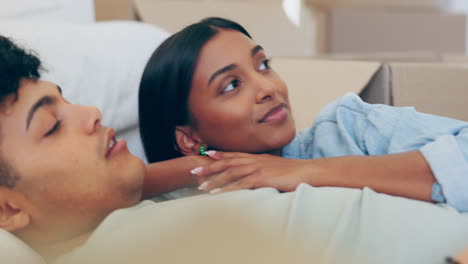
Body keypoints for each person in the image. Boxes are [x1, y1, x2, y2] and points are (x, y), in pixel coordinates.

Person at [1, 33, 468, 264]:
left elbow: (184, 168)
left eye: (264, 64)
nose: (90, 112)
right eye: (51, 126)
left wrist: (294, 171)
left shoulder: (346, 126)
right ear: (7, 209)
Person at [139, 17, 468, 212]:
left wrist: (301, 171)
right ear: (189, 137)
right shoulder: (187, 207)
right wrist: (197, 167)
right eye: (231, 85)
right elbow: (109, 193)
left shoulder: (350, 127)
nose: (268, 87)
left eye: (263, 65)